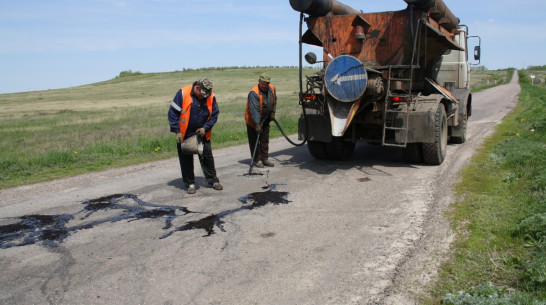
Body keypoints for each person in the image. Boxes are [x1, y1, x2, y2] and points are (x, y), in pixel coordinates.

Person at [168, 77, 223, 194]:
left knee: (207, 157)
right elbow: (172, 113)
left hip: (202, 132)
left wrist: (205, 128)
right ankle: (190, 183)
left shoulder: (211, 96)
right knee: (186, 159)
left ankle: (213, 180)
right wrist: (177, 131)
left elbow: (214, 115)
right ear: (197, 88)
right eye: (202, 94)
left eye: (206, 95)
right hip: (185, 133)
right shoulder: (182, 93)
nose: (204, 97)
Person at [245, 72, 277, 168]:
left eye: (266, 84)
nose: (264, 86)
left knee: (264, 140)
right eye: (262, 83)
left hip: (265, 119)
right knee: (255, 140)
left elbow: (275, 101)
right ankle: (257, 160)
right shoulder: (254, 93)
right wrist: (257, 124)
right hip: (253, 120)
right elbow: (254, 110)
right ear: (259, 82)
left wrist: (273, 112)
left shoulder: (272, 88)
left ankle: (265, 159)